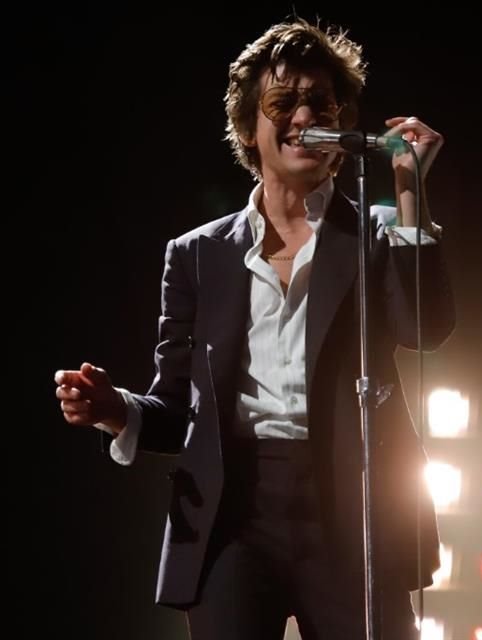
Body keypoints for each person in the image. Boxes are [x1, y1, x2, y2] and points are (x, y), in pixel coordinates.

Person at [53, 18, 455, 640]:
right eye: (282, 102)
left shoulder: (375, 236)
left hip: (353, 510)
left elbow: (423, 328)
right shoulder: (196, 255)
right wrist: (117, 409)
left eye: (319, 103)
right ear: (248, 126)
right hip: (235, 513)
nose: (302, 116)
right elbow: (177, 408)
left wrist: (408, 193)